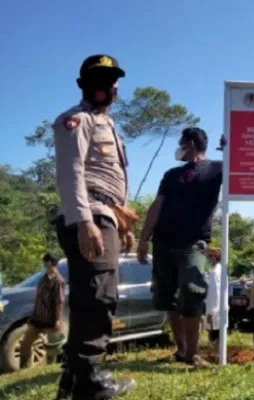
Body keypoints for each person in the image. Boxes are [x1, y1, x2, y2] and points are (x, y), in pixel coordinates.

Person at [53, 54, 137, 399]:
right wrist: (84, 221)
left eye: (112, 79)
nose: (107, 86)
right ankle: (90, 379)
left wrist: (123, 224)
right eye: (99, 79)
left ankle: (72, 381)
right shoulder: (76, 120)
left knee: (94, 293)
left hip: (107, 213)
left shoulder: (110, 125)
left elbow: (112, 182)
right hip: (90, 213)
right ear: (82, 84)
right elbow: (71, 173)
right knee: (98, 296)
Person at [137, 127, 223, 367]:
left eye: (181, 142)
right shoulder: (171, 175)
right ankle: (182, 349)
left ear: (192, 144)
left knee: (192, 291)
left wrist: (230, 148)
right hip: (163, 242)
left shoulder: (217, 169)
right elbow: (157, 206)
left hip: (193, 244)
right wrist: (144, 239)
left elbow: (243, 166)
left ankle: (194, 353)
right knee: (167, 297)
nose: (179, 147)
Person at [19, 254, 65, 369]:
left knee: (52, 349)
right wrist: (32, 317)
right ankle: (24, 370)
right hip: (37, 319)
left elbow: (59, 302)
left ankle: (50, 369)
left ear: (50, 263)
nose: (44, 264)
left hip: (50, 320)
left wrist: (58, 320)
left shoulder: (58, 281)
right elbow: (38, 298)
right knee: (25, 345)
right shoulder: (43, 278)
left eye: (46, 262)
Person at [204, 247, 224, 343]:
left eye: (209, 257)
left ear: (214, 257)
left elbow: (214, 293)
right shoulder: (220, 270)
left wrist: (211, 312)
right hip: (219, 308)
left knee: (214, 338)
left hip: (214, 309)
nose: (208, 259)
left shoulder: (215, 272)